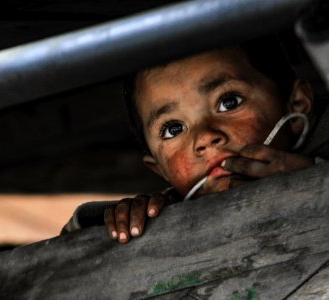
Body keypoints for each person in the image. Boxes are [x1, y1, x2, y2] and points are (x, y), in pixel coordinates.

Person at [62, 35, 329, 244]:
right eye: (173, 129)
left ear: (296, 105)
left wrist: (315, 181)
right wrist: (125, 221)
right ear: (160, 170)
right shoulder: (163, 213)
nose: (204, 137)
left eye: (229, 101)